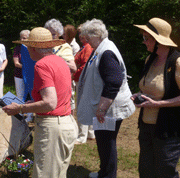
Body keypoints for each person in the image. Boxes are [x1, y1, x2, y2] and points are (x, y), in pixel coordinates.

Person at [3, 27, 78, 178]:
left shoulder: (41, 65)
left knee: (45, 174)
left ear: (34, 47)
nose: (27, 49)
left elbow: (50, 103)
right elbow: (58, 93)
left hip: (52, 127)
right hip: (67, 124)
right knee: (58, 173)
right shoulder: (61, 61)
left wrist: (20, 108)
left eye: (28, 46)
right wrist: (35, 101)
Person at [76, 19, 135, 178]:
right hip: (107, 106)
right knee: (103, 142)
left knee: (107, 143)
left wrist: (101, 109)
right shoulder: (101, 48)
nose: (86, 41)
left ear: (96, 35)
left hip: (109, 108)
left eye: (88, 37)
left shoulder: (106, 52)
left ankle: (108, 175)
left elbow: (114, 82)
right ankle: (105, 172)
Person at [132, 18, 180, 178]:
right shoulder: (149, 60)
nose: (144, 42)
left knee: (164, 172)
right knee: (145, 170)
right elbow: (149, 88)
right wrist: (139, 96)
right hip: (146, 126)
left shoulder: (177, 62)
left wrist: (158, 103)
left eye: (147, 38)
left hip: (168, 130)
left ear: (159, 41)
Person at [44, 19, 77, 114]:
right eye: (49, 34)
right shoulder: (45, 46)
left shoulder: (64, 46)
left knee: (65, 110)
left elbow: (73, 67)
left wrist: (55, 59)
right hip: (48, 84)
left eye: (53, 34)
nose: (51, 37)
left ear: (59, 34)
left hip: (62, 84)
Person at [73, 24, 95, 144]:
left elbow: (85, 65)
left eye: (83, 33)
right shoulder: (85, 47)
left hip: (83, 80)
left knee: (82, 107)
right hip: (84, 80)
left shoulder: (87, 47)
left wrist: (74, 74)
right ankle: (90, 133)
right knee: (88, 106)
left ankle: (82, 136)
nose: (81, 35)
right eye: (79, 33)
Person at [13, 30, 30, 100]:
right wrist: (28, 67)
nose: (22, 40)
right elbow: (16, 63)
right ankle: (21, 110)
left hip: (31, 76)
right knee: (20, 96)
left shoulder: (33, 49)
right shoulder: (17, 49)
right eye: (21, 38)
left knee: (31, 96)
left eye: (24, 38)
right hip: (19, 75)